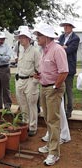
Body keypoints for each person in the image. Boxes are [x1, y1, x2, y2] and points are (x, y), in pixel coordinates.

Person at [33, 24, 68, 166]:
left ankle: (54, 153)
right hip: (44, 87)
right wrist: (40, 76)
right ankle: (50, 145)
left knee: (53, 121)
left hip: (53, 89)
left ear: (46, 37)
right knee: (48, 118)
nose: (37, 38)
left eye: (39, 36)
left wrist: (55, 86)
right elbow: (49, 69)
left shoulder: (57, 50)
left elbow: (64, 71)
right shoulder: (44, 51)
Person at [13, 27, 41, 137]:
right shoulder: (20, 49)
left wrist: (34, 82)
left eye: (23, 37)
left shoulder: (35, 51)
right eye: (20, 37)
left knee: (32, 104)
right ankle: (25, 124)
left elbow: (39, 69)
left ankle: (33, 126)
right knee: (22, 103)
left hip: (30, 80)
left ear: (28, 38)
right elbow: (20, 65)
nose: (21, 39)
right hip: (20, 79)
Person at [58, 21, 79, 119]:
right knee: (61, 89)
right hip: (61, 67)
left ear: (71, 27)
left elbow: (69, 50)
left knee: (68, 90)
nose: (65, 28)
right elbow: (57, 48)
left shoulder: (75, 38)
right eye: (64, 26)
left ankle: (69, 110)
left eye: (67, 26)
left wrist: (63, 48)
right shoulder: (61, 37)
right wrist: (64, 47)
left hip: (69, 68)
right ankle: (63, 109)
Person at [0, 32, 14, 109]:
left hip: (4, 68)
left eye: (2, 39)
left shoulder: (7, 47)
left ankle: (7, 104)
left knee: (5, 87)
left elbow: (7, 58)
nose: (0, 41)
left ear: (4, 39)